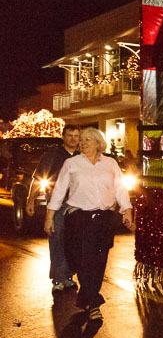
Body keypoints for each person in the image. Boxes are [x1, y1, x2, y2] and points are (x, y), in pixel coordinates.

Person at [44, 127, 134, 323]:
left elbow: (120, 187)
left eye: (87, 139)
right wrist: (50, 216)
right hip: (78, 218)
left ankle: (91, 301)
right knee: (80, 260)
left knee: (98, 261)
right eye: (81, 140)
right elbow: (59, 190)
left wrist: (127, 210)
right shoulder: (71, 163)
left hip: (103, 219)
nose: (83, 142)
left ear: (97, 143)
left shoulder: (110, 163)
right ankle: (91, 299)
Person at [27, 124, 81, 292]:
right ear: (63, 137)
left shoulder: (82, 156)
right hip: (58, 205)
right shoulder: (53, 154)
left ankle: (68, 277)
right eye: (70, 135)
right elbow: (39, 177)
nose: (73, 139)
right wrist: (30, 199)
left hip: (78, 206)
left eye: (76, 136)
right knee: (57, 240)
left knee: (72, 242)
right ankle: (57, 278)